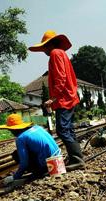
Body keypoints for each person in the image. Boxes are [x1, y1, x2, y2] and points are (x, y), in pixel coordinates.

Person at [29, 30, 85, 170]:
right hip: (68, 96)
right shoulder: (61, 53)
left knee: (62, 130)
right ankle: (75, 157)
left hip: (64, 98)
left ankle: (77, 159)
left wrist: (53, 98)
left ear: (49, 45)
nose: (44, 51)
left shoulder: (55, 53)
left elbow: (61, 77)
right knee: (68, 129)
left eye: (44, 48)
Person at [0, 113, 60, 184]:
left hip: (48, 166)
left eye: (11, 130)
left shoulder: (21, 138)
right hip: (59, 160)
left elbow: (24, 163)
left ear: (14, 129)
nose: (11, 132)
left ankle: (38, 173)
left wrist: (15, 177)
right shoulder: (37, 127)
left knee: (16, 154)